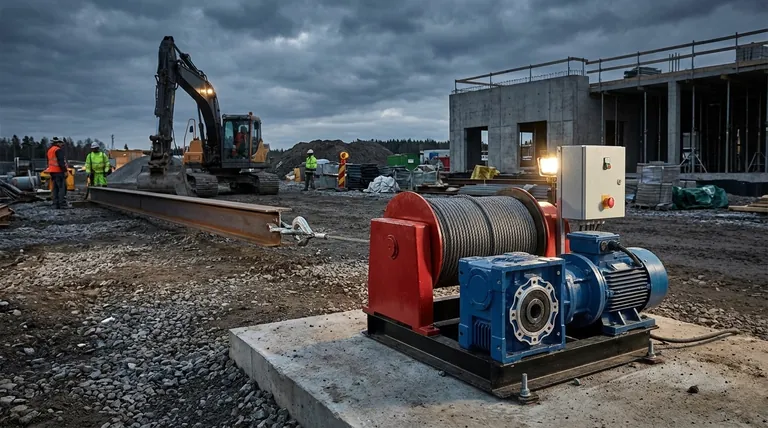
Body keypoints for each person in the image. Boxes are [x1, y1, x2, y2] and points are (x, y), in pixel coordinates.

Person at [45, 137, 69, 209]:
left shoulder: (50, 150)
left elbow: (49, 162)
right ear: (58, 143)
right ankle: (62, 204)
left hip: (52, 172)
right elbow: (61, 162)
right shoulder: (58, 150)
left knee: (55, 188)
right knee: (62, 188)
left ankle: (55, 204)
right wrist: (64, 171)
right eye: (61, 143)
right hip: (59, 171)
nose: (62, 144)